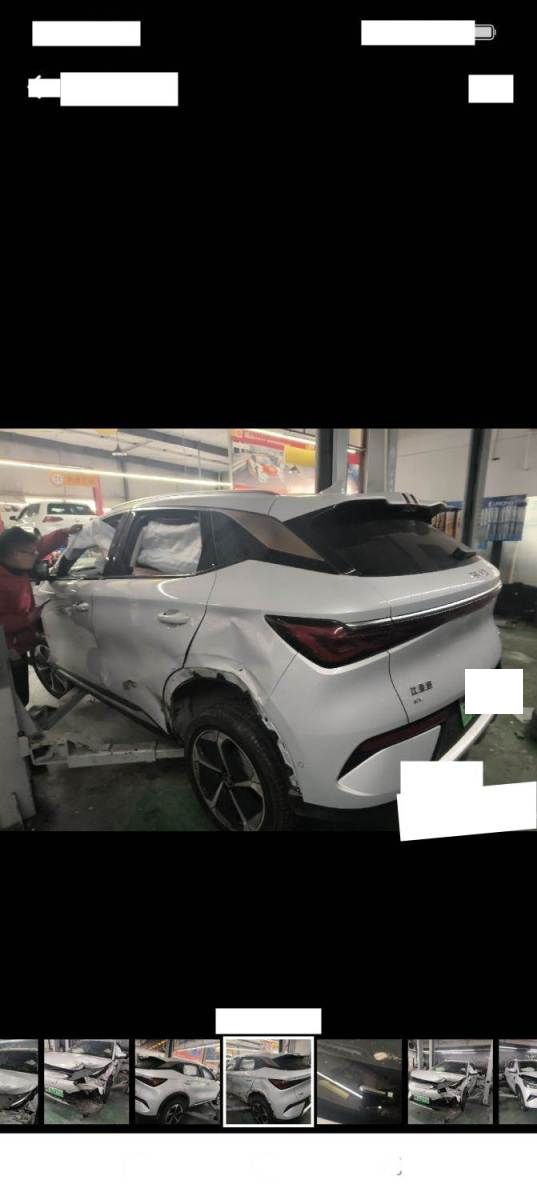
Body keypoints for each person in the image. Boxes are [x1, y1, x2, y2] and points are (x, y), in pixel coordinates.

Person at [0, 524, 81, 706]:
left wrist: (63, 532)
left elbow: (40, 545)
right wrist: (27, 619)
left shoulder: (16, 565)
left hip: (17, 644)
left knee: (19, 696)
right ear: (15, 554)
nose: (37, 555)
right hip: (5, 649)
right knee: (14, 698)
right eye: (32, 553)